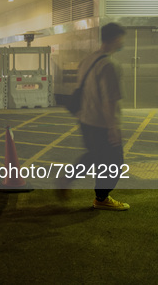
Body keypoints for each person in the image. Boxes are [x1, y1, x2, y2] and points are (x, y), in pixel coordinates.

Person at [62, 23, 129, 210]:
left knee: (96, 156)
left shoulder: (88, 60)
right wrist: (113, 128)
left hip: (85, 119)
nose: (123, 42)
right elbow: (109, 101)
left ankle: (68, 178)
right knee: (114, 163)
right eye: (122, 38)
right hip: (102, 123)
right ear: (115, 38)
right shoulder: (110, 65)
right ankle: (101, 198)